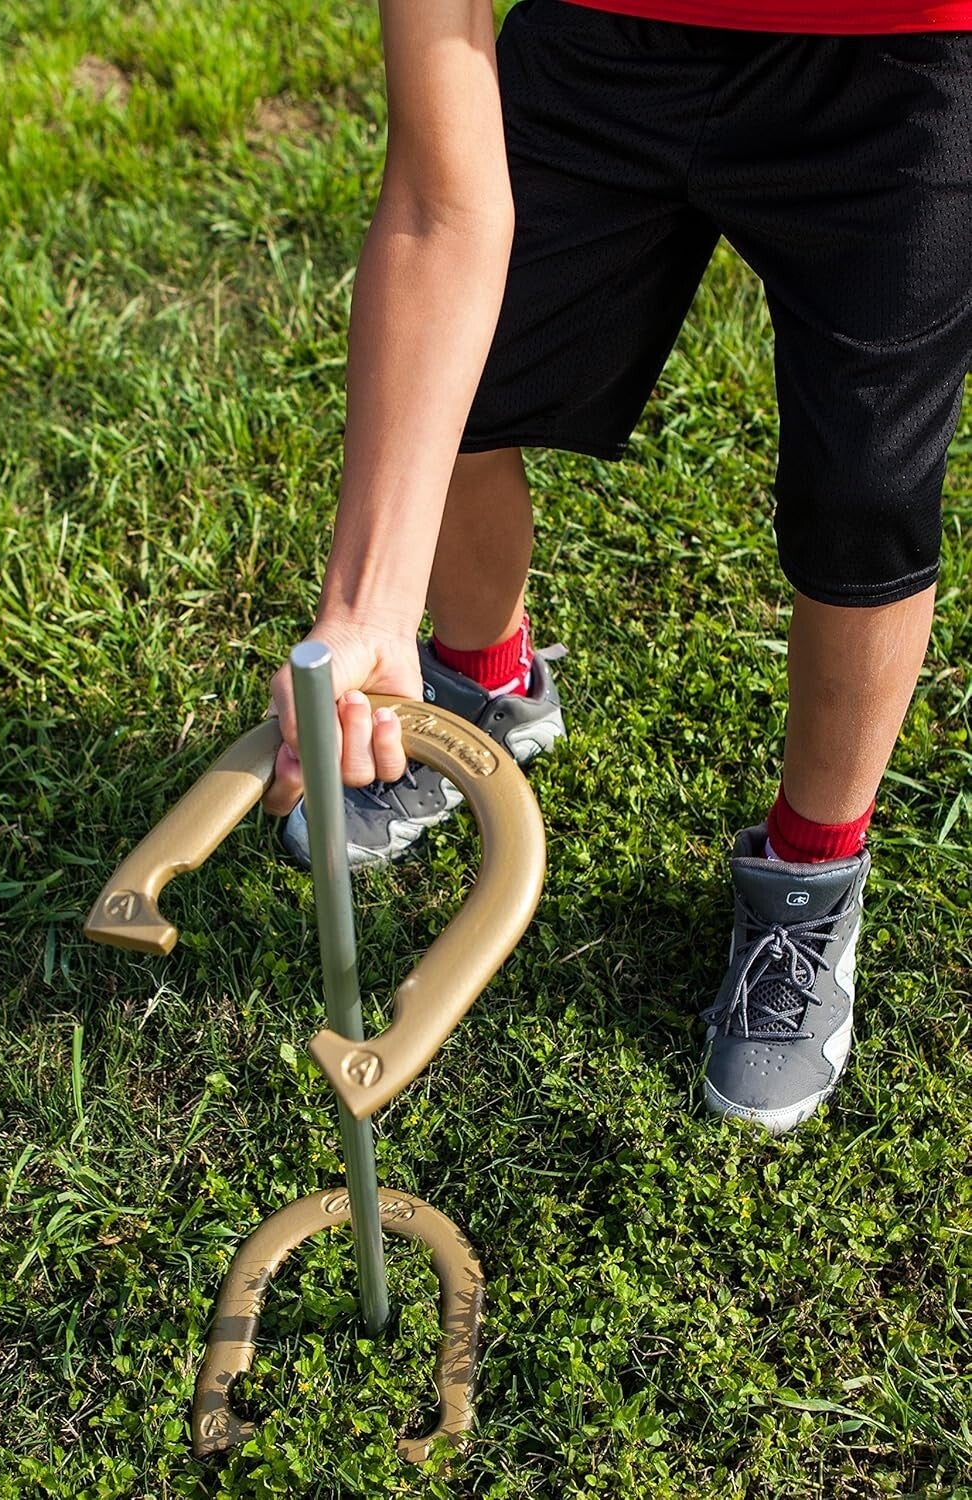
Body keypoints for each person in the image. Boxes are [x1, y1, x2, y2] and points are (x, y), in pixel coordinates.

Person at [263, 0, 971, 1133]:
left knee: (866, 494)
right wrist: (365, 606)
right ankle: (479, 680)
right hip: (612, 31)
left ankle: (810, 878)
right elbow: (443, 206)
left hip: (905, 56)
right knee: (460, 387)